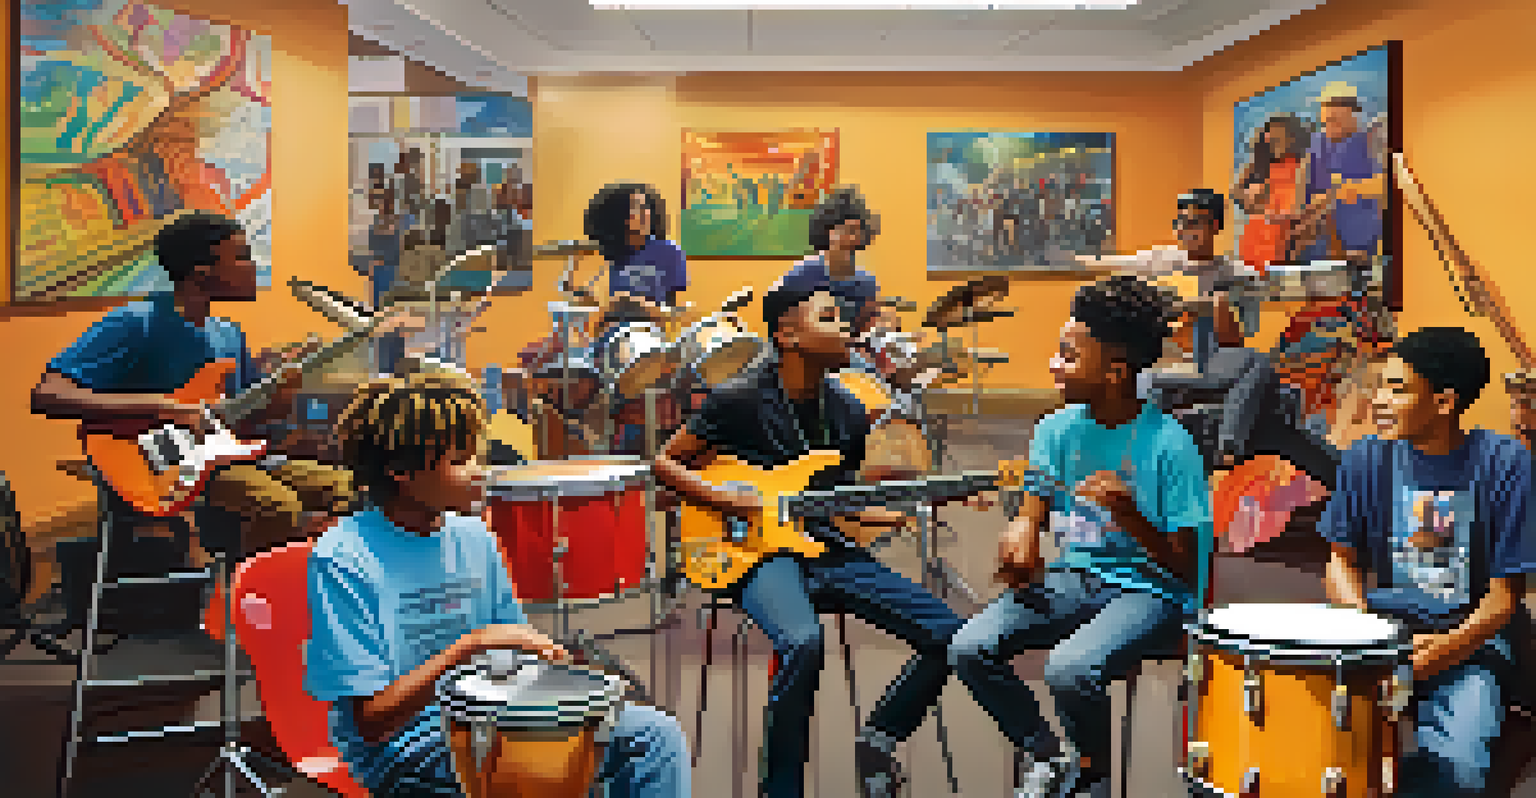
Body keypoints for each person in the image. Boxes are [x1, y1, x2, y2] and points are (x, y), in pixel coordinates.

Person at [653, 280, 1021, 798]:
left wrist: (915, 507)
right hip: (755, 552)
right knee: (803, 641)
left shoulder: (846, 409)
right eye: (828, 317)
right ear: (787, 334)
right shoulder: (738, 397)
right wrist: (728, 502)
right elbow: (664, 464)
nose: (846, 325)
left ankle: (879, 739)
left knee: (952, 634)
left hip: (822, 545)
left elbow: (837, 504)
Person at [304, 372, 690, 798]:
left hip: (495, 719)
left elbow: (512, 656)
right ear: (400, 471)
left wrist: (568, 677)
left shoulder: (473, 537)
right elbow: (371, 721)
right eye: (459, 461)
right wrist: (471, 645)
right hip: (404, 748)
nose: (478, 472)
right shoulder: (343, 557)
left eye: (475, 456)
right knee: (544, 775)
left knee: (655, 737)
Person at [948, 275, 1213, 798]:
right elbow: (1034, 504)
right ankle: (1049, 757)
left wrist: (1132, 515)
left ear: (1115, 372)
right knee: (969, 645)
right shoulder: (1055, 428)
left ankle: (1090, 779)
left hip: (1152, 593)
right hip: (1076, 579)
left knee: (1069, 668)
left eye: (1068, 356)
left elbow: (1189, 570)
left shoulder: (1170, 445)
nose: (1053, 364)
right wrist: (1022, 531)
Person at [31, 212, 355, 555]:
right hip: (161, 462)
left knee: (347, 488)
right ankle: (239, 596)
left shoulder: (228, 333)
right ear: (202, 273)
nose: (253, 266)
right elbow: (49, 394)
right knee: (278, 504)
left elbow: (243, 417)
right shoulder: (135, 323)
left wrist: (286, 386)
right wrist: (164, 408)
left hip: (223, 455)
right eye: (242, 257)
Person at [1321, 327, 1532, 797]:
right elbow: (1339, 562)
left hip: (1469, 647)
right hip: (1379, 641)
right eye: (1380, 386)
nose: (1378, 400)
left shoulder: (1505, 463)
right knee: (1326, 758)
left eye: (1397, 389)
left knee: (1455, 773)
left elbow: (1504, 601)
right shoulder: (1364, 458)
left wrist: (1446, 649)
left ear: (1444, 402)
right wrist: (1364, 631)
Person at [1296, 81, 1387, 264]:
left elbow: (1387, 185)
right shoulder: (1317, 143)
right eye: (1326, 120)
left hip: (1361, 237)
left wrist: (1337, 194)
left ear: (1354, 116)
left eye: (1335, 120)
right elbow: (1304, 187)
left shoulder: (1370, 140)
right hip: (1321, 239)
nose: (1329, 125)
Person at [779, 187, 883, 338]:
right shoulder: (800, 276)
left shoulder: (867, 284)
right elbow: (783, 330)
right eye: (846, 230)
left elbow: (866, 334)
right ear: (828, 231)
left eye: (856, 231)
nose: (851, 238)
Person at [585, 183, 688, 307]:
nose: (646, 213)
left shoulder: (670, 252)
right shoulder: (612, 253)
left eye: (646, 207)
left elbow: (675, 311)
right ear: (620, 216)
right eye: (637, 208)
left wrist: (638, 305)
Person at [1234, 114, 1310, 269]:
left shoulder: (1302, 166)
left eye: (1278, 137)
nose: (1272, 141)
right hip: (1256, 240)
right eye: (1270, 137)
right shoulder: (1261, 168)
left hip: (1283, 243)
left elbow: (1296, 210)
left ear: (1293, 138)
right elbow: (1238, 195)